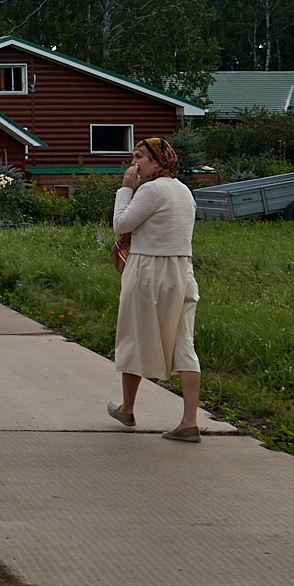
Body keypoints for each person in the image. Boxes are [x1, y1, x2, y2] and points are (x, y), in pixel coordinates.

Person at [104, 136, 203, 442]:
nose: (134, 164)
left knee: (134, 334)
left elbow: (121, 224)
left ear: (159, 162)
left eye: (140, 158)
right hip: (182, 270)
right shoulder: (183, 190)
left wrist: (125, 189)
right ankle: (189, 420)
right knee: (183, 341)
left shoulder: (150, 189)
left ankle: (128, 408)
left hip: (148, 269)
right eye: (133, 158)